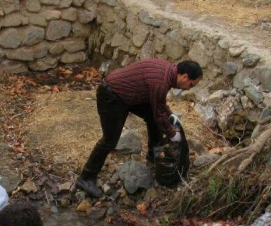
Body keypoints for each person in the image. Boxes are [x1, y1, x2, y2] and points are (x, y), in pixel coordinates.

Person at [75, 59, 203, 198]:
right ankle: (86, 177)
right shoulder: (160, 82)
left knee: (153, 118)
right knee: (110, 140)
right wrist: (172, 134)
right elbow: (159, 113)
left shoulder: (168, 72)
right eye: (191, 84)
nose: (188, 89)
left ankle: (153, 157)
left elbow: (158, 104)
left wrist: (170, 115)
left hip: (129, 94)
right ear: (185, 76)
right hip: (112, 95)